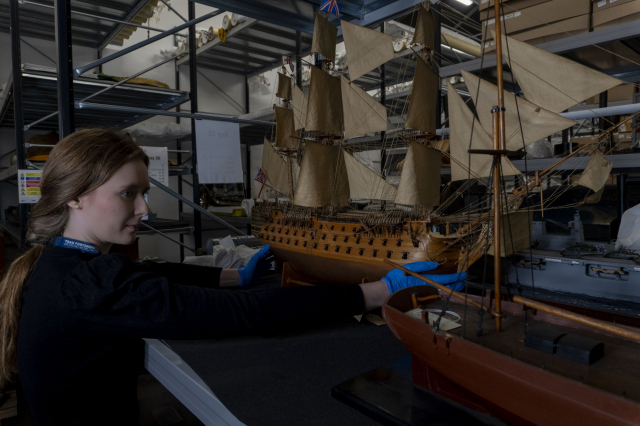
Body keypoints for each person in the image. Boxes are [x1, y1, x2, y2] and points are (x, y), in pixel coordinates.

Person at [0, 129, 465, 425]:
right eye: (128, 194)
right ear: (76, 197)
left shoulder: (56, 264)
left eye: (143, 192)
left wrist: (230, 276)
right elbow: (242, 316)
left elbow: (147, 272)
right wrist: (376, 290)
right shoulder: (88, 287)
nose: (145, 209)